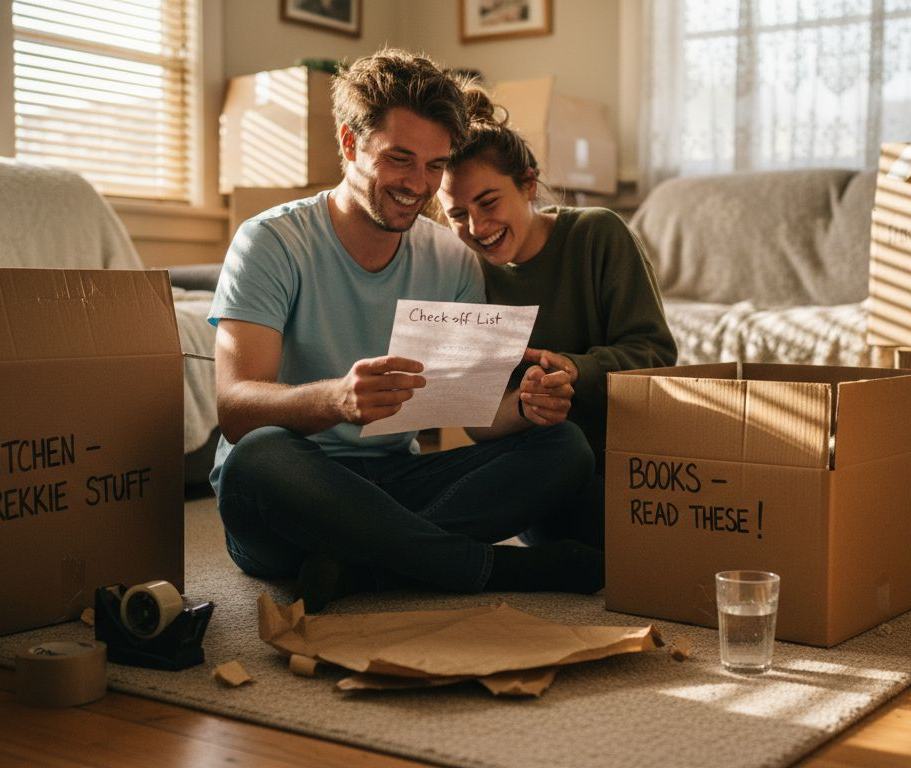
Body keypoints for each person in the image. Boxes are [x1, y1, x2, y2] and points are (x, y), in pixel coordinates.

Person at [208, 49, 602, 611]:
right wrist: (336, 400)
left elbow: (459, 418)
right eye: (400, 159)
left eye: (435, 165)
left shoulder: (451, 259)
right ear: (349, 144)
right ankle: (482, 568)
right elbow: (235, 408)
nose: (418, 185)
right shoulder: (270, 242)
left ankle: (361, 569)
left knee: (563, 446)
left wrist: (526, 407)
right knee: (256, 457)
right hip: (298, 488)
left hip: (398, 477)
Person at [436, 87, 678, 549]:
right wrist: (526, 408)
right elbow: (474, 420)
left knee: (590, 540)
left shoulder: (597, 234)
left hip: (615, 460)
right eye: (458, 215)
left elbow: (656, 356)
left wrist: (574, 369)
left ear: (528, 183)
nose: (478, 228)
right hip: (535, 461)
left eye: (489, 202)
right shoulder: (463, 273)